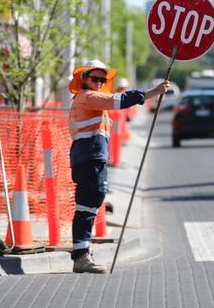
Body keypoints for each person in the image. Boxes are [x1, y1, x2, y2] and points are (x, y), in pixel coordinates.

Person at [68, 59, 169, 274]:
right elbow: (120, 100)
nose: (99, 83)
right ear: (83, 78)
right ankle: (81, 256)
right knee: (87, 205)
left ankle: (82, 252)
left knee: (90, 203)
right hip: (89, 158)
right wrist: (153, 92)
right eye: (95, 78)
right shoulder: (88, 98)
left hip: (90, 158)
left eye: (102, 80)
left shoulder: (88, 100)